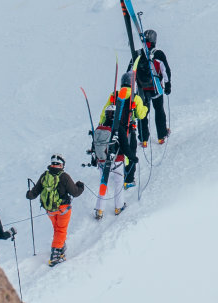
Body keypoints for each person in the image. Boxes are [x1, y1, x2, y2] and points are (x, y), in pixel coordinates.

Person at [93, 76, 147, 218]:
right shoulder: (135, 97)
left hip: (102, 156)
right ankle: (119, 205)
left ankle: (99, 210)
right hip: (121, 145)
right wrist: (133, 157)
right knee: (118, 181)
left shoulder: (114, 95)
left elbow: (103, 112)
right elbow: (141, 115)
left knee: (103, 182)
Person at [25, 154, 84, 266]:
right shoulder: (64, 176)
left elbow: (35, 192)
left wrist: (29, 194)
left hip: (50, 210)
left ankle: (60, 246)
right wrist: (81, 186)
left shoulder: (45, 175)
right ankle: (55, 255)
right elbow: (75, 192)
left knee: (57, 228)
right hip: (63, 209)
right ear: (61, 164)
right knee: (61, 230)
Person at [131, 29, 173, 145]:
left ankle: (143, 139)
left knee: (142, 113)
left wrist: (130, 89)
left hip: (141, 90)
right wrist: (168, 85)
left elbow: (130, 72)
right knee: (159, 110)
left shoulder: (137, 54)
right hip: (156, 89)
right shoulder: (158, 54)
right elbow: (166, 71)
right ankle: (161, 136)